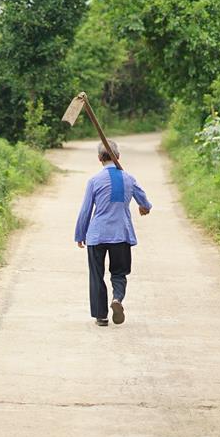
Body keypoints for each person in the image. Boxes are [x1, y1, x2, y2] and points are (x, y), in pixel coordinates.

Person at [74, 139, 152, 326]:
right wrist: (144, 207)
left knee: (96, 275)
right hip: (121, 234)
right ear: (118, 157)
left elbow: (85, 210)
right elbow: (144, 201)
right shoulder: (128, 178)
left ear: (99, 158)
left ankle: (101, 316)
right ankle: (117, 299)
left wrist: (80, 234)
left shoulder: (94, 181)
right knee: (118, 273)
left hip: (97, 235)